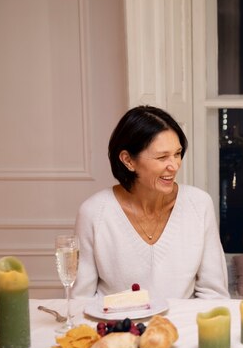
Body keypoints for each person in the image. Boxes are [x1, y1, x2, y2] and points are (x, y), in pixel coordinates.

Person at [73, 106, 230, 300]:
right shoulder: (94, 212)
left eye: (177, 153)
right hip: (118, 328)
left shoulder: (199, 204)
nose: (174, 166)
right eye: (162, 157)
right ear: (128, 160)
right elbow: (81, 301)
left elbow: (214, 294)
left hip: (183, 328)